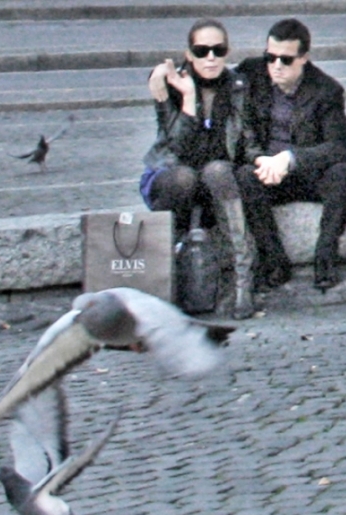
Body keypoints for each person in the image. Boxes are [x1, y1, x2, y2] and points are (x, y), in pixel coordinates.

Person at [235, 18, 346, 292]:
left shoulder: (326, 90)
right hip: (266, 171)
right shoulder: (251, 73)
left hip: (307, 173)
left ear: (304, 58)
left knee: (341, 173)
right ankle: (275, 261)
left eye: (286, 59)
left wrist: (290, 158)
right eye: (270, 57)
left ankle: (326, 257)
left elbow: (340, 146)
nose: (276, 66)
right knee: (244, 177)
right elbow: (212, 79)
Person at [140, 18, 254, 318]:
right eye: (202, 50)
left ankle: (242, 280)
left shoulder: (237, 88)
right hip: (173, 177)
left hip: (215, 176)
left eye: (219, 50)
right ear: (189, 54)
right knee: (184, 177)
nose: (211, 57)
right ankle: (169, 280)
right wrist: (189, 98)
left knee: (217, 170)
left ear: (228, 52)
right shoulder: (170, 87)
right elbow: (176, 148)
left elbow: (243, 141)